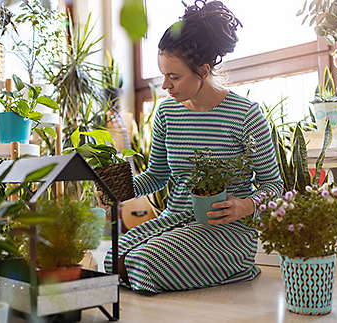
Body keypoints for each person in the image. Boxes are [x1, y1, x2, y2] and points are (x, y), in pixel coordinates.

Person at [104, 0, 283, 294]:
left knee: (142, 263)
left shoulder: (245, 115)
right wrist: (117, 190)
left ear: (203, 70)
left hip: (226, 229)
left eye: (174, 77)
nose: (166, 85)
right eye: (163, 75)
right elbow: (157, 176)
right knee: (112, 258)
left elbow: (274, 185)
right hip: (174, 220)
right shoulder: (167, 114)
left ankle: (236, 267)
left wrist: (245, 205)